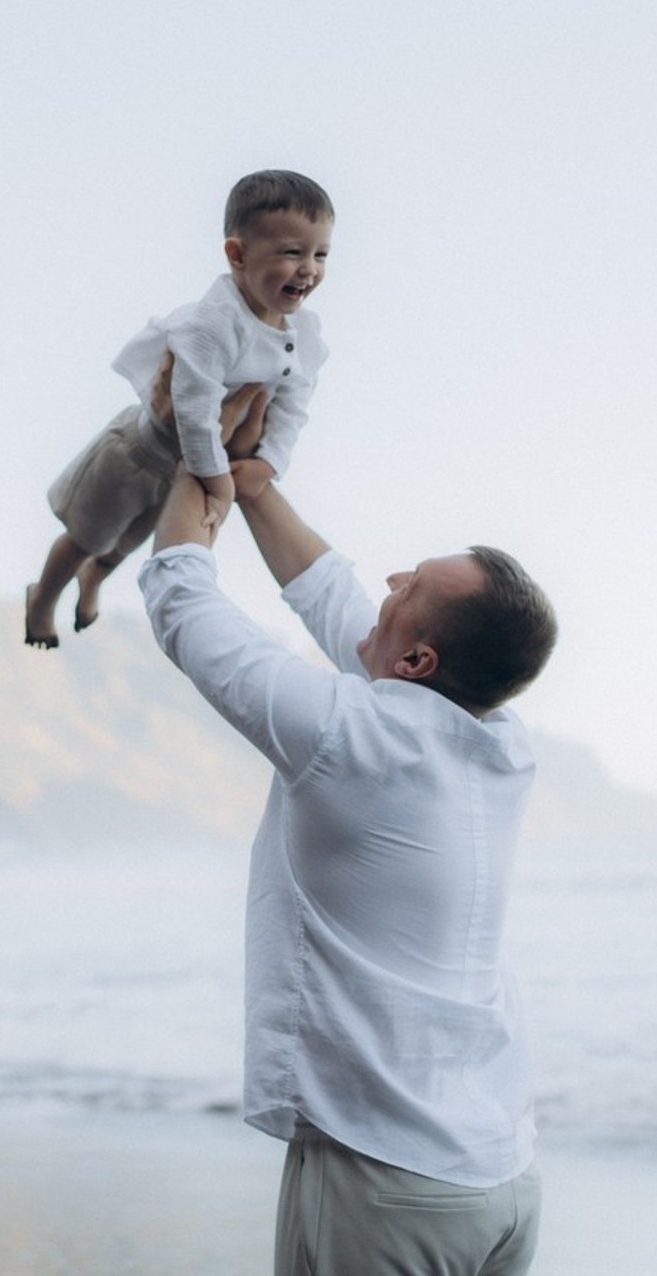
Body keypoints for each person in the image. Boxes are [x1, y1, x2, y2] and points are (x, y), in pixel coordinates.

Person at [138, 436, 556, 1274]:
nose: (391, 582)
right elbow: (343, 606)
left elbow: (184, 607)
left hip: (387, 1182)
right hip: (500, 1176)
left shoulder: (350, 732)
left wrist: (191, 462)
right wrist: (254, 489)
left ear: (416, 662)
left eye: (412, 585)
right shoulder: (499, 741)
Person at [25, 168, 333, 648]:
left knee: (123, 544)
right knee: (87, 536)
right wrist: (218, 480)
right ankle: (42, 599)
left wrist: (270, 461)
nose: (308, 268)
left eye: (320, 254)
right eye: (291, 253)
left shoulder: (303, 334)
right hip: (136, 455)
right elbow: (192, 410)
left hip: (181, 470)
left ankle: (94, 581)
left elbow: (296, 401)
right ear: (237, 254)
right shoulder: (212, 324)